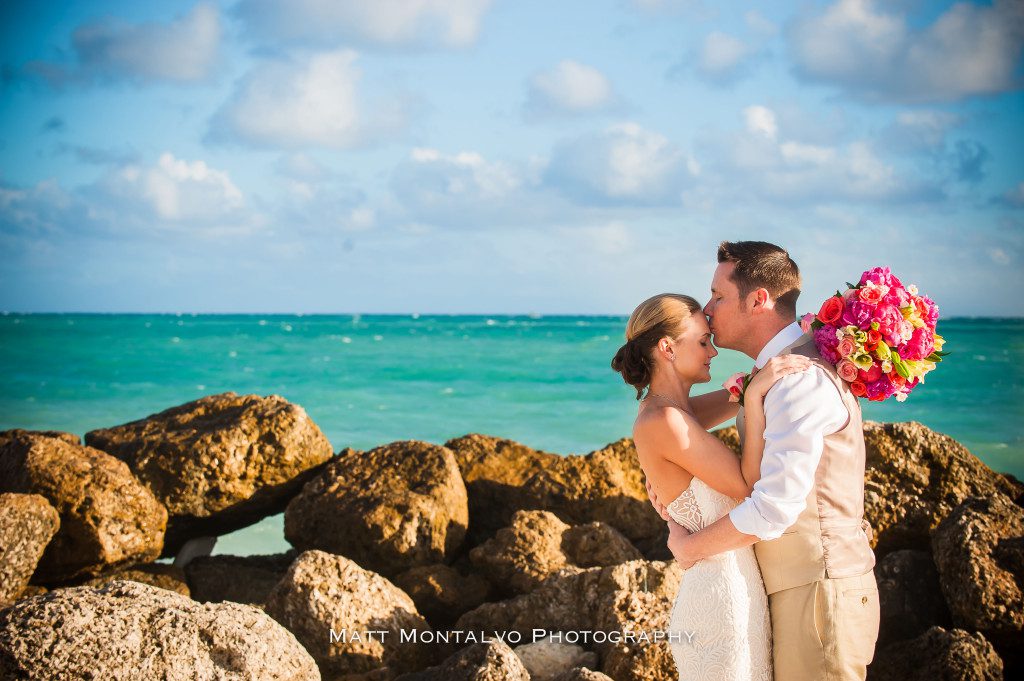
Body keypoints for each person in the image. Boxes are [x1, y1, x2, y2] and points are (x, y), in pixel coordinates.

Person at [648, 241, 880, 681]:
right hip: (797, 587)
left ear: (758, 300)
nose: (708, 311)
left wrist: (689, 547)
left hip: (818, 591)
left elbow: (774, 507)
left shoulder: (798, 381)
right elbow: (670, 422)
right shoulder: (777, 372)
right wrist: (670, 479)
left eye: (718, 296)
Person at [611, 292, 811, 681]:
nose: (714, 352)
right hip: (720, 601)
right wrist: (756, 395)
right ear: (667, 348)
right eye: (703, 342)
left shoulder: (675, 412)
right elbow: (748, 486)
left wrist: (785, 358)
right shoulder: (665, 420)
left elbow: (736, 395)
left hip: (734, 588)